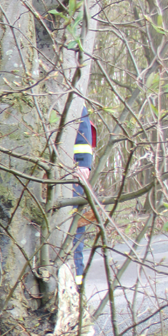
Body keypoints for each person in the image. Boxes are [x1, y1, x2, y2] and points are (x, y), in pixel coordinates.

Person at [73, 107, 96, 285]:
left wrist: (82, 163)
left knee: (73, 231)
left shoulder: (73, 98)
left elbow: (83, 131)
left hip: (71, 176)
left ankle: (76, 286)